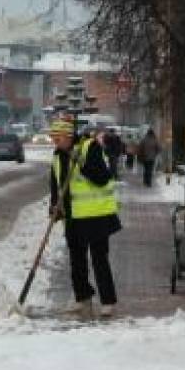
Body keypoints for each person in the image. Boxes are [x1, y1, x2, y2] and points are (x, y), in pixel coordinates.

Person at [49, 118, 121, 319]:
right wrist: (54, 207)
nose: (55, 142)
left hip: (96, 214)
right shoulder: (57, 155)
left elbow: (102, 177)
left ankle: (108, 302)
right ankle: (83, 297)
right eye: (53, 138)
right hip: (73, 216)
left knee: (99, 258)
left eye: (58, 138)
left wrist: (79, 161)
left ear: (69, 136)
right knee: (76, 259)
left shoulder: (90, 148)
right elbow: (55, 183)